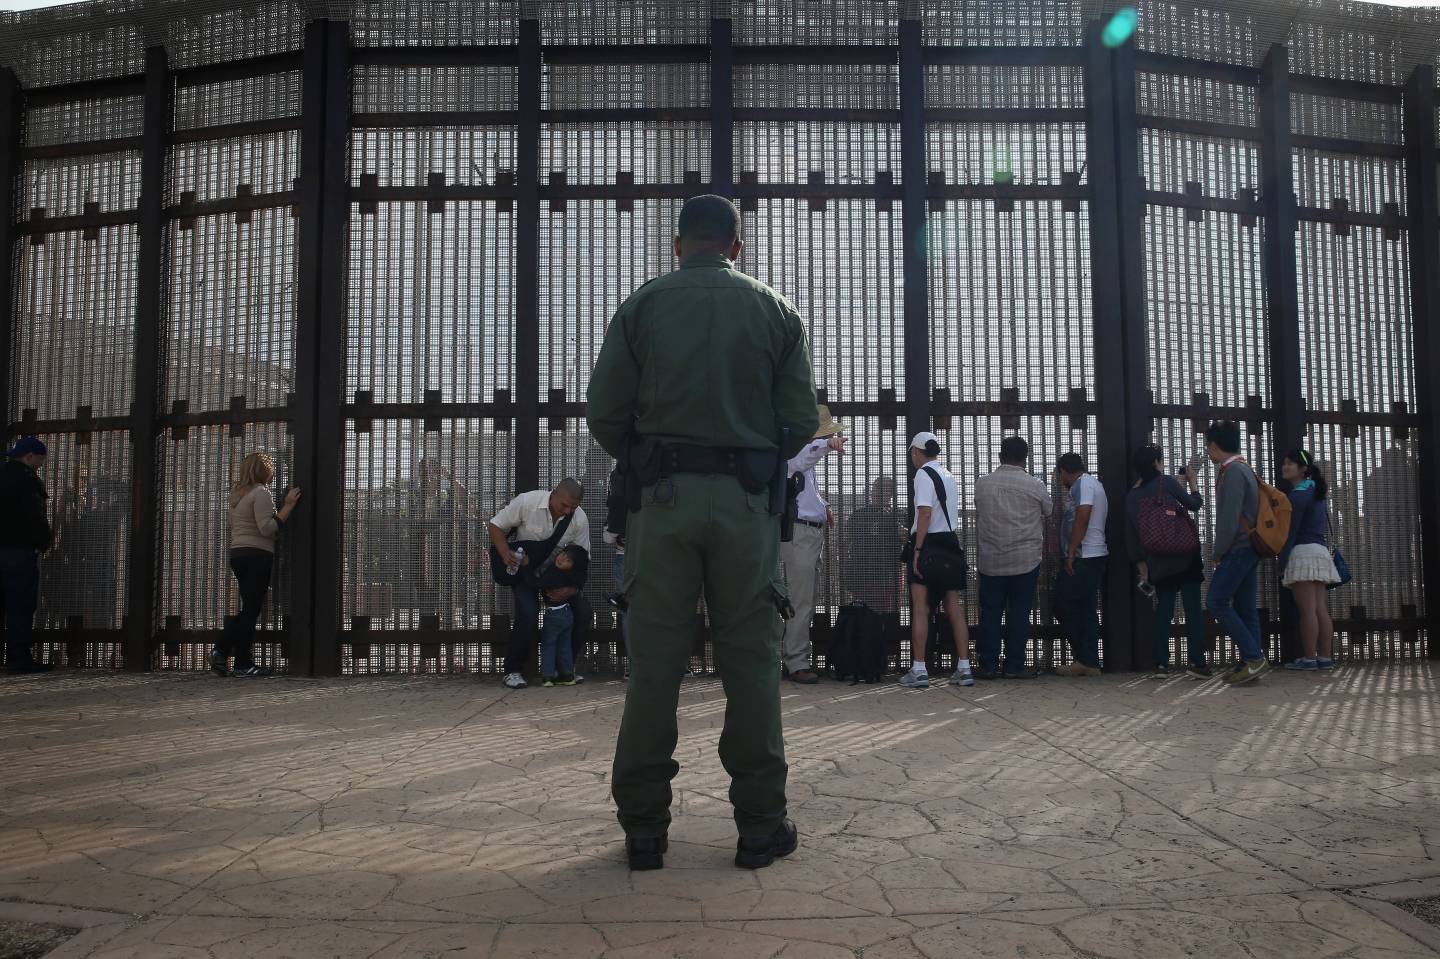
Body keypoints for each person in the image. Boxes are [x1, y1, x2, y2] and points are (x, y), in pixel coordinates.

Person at [587, 194, 818, 872]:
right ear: (736, 247)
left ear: (679, 244)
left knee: (654, 664)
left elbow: (605, 411)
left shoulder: (643, 305)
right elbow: (799, 418)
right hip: (746, 507)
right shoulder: (776, 310)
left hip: (660, 505)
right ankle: (760, 827)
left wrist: (651, 455)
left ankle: (644, 830)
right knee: (751, 665)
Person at [486, 479, 592, 690]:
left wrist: (572, 588)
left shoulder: (579, 518)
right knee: (528, 611)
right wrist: (505, 553)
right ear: (553, 494)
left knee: (583, 612)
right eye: (564, 505)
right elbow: (495, 525)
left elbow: (582, 559)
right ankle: (513, 670)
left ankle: (565, 669)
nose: (568, 510)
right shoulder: (527, 502)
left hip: (558, 575)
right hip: (526, 573)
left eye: (573, 506)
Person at [1124, 445, 1209, 678]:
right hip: (1185, 555)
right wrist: (1192, 481)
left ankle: (1161, 664)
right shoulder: (1167, 483)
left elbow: (1132, 536)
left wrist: (1142, 567)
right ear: (1156, 463)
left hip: (1158, 560)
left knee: (1164, 611)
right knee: (1192, 609)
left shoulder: (1132, 496)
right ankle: (1198, 663)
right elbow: (1195, 505)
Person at [214, 452, 301, 678]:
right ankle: (228, 654)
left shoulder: (237, 495)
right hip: (257, 556)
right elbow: (267, 528)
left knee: (249, 609)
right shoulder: (261, 493)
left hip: (238, 554)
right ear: (264, 471)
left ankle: (236, 659)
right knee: (251, 610)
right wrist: (288, 506)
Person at [972, 436, 1052, 680]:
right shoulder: (1035, 485)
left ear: (1000, 456)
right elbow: (1048, 511)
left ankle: (988, 665)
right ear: (1025, 458)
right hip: (1025, 560)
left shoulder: (982, 484)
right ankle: (1015, 665)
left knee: (990, 612)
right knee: (1019, 613)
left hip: (991, 560)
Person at [898, 432, 973, 689]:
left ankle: (919, 669)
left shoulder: (922, 475)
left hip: (928, 544)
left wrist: (917, 550)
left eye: (912, 453)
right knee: (953, 605)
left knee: (920, 606)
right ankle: (964, 667)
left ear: (917, 451)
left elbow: (925, 513)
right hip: (950, 544)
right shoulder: (948, 475)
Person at [778, 405, 846, 685]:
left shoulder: (797, 458)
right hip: (800, 534)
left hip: (804, 533)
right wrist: (827, 444)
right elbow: (806, 457)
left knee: (798, 599)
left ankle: (790, 657)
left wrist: (823, 506)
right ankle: (796, 661)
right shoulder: (796, 452)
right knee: (800, 601)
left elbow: (805, 489)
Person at [1203, 421, 1269, 685]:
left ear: (1215, 446)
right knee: (1245, 608)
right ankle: (1250, 663)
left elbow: (1229, 520)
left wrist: (1218, 551)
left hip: (1238, 548)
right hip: (1249, 547)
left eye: (1208, 447)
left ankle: (1253, 658)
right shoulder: (1245, 469)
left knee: (1216, 602)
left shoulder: (1231, 472)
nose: (1207, 452)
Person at [1279, 449, 1339, 670]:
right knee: (1320, 609)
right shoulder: (1316, 492)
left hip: (1302, 553)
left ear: (1303, 469)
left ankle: (1309, 658)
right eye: (1284, 463)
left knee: (1307, 610)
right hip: (1320, 552)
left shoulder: (1297, 496)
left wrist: (1282, 561)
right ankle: (1325, 657)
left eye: (1290, 464)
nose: (1285, 467)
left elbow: (1290, 533)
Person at [1, 437, 54, 674]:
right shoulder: (27, 480)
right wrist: (44, 542)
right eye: (41, 459)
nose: (42, 464)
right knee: (20, 606)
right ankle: (18, 659)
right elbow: (35, 517)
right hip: (18, 552)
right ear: (31, 456)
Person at [1053, 452, 1107, 676]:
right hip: (1091, 555)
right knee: (1084, 608)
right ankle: (1089, 660)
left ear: (1064, 472)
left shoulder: (1082, 484)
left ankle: (1085, 657)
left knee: (1064, 604)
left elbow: (1082, 516)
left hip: (1085, 556)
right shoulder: (1092, 483)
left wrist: (1072, 551)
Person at [840, 476, 906, 613]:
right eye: (876, 487)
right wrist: (847, 568)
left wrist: (895, 524)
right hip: (862, 573)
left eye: (883, 488)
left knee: (889, 615)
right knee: (864, 614)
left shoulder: (899, 514)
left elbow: (907, 539)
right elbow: (844, 542)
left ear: (891, 494)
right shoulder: (858, 515)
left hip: (889, 574)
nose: (877, 492)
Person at [535, 545, 590, 687]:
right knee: (564, 645)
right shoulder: (571, 576)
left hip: (554, 614)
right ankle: (567, 675)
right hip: (567, 613)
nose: (562, 559)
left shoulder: (554, 573)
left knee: (549, 644)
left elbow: (539, 583)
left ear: (573, 566)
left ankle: (548, 675)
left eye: (568, 560)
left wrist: (526, 571)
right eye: (563, 554)